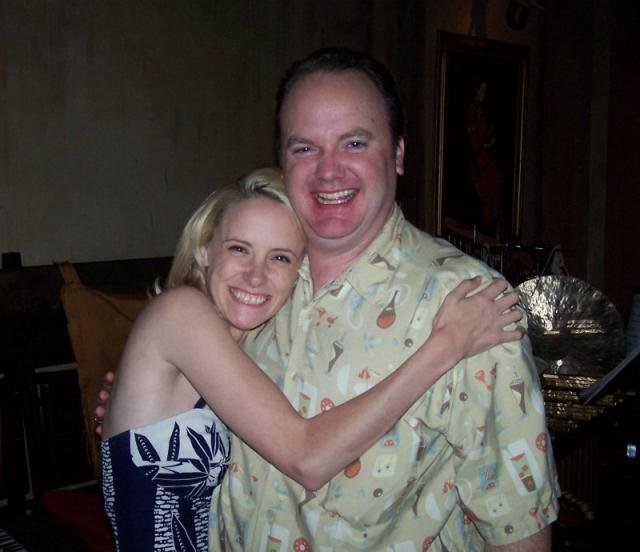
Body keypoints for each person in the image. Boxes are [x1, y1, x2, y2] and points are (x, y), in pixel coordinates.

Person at [207, 49, 560, 551]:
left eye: (354, 143)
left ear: (397, 153)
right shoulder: (252, 282)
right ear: (282, 163)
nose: (328, 171)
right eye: (304, 148)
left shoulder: (468, 305)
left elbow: (517, 526)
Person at [99, 167, 524, 551]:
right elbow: (307, 458)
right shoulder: (181, 312)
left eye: (279, 257)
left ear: (299, 272)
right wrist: (447, 345)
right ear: (205, 250)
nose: (256, 275)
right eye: (239, 249)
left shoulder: (246, 346)